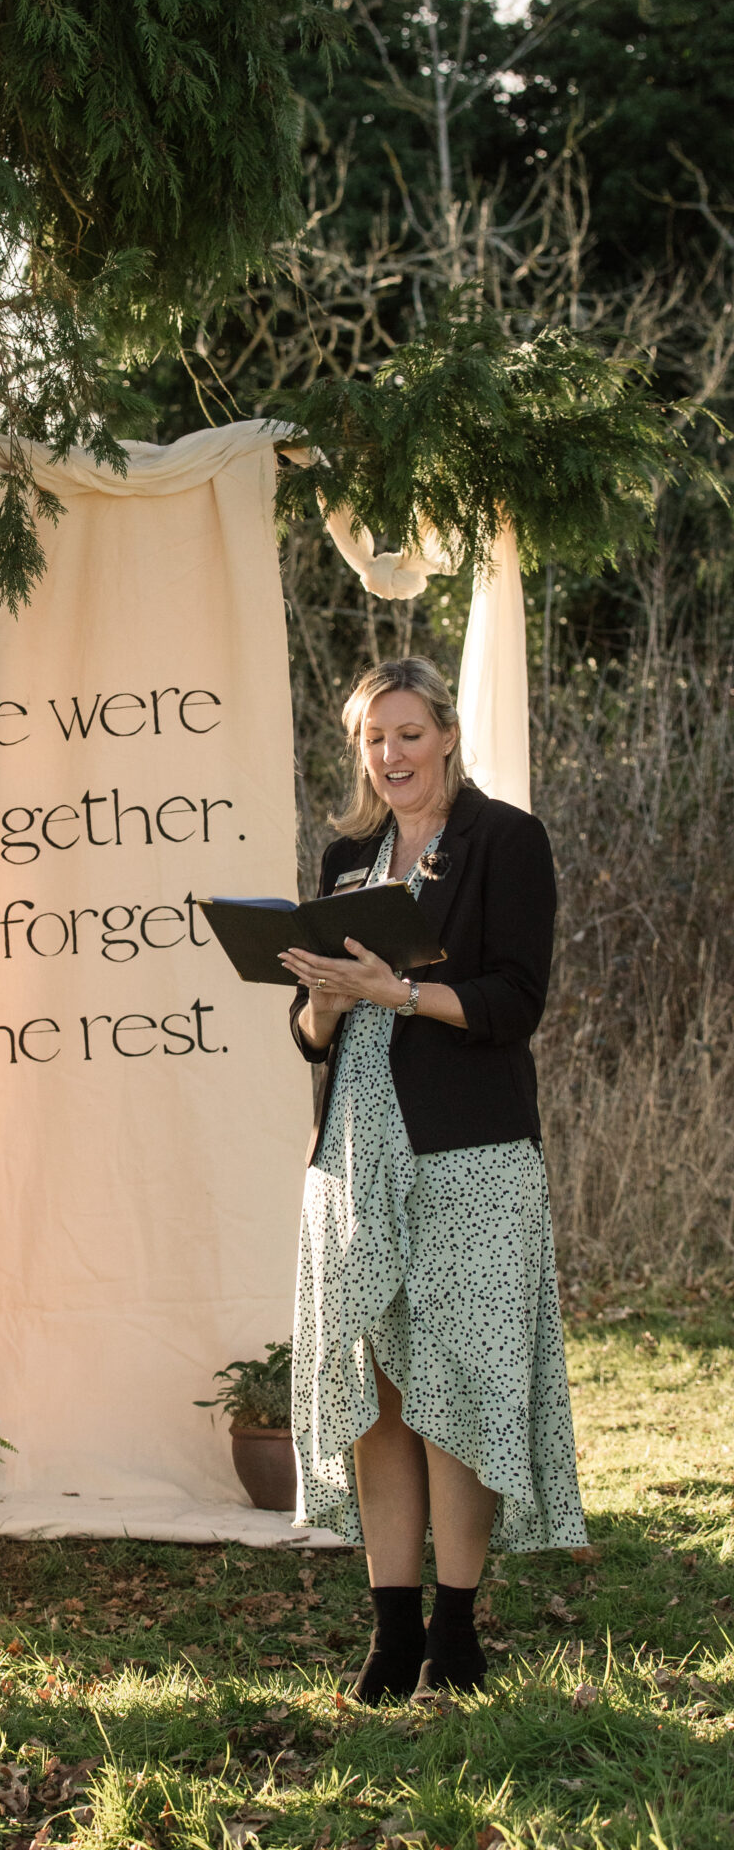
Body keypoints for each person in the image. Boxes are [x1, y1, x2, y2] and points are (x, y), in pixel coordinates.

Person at [280, 657, 585, 1702]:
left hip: (469, 1154)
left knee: (452, 1384)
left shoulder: (506, 841)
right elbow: (315, 1035)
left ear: (447, 736)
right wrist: (325, 998)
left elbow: (515, 1003)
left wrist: (399, 990)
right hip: (357, 1151)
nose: (391, 756)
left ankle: (457, 1635)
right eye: (374, 738)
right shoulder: (349, 857)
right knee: (379, 1397)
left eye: (408, 734)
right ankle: (391, 1631)